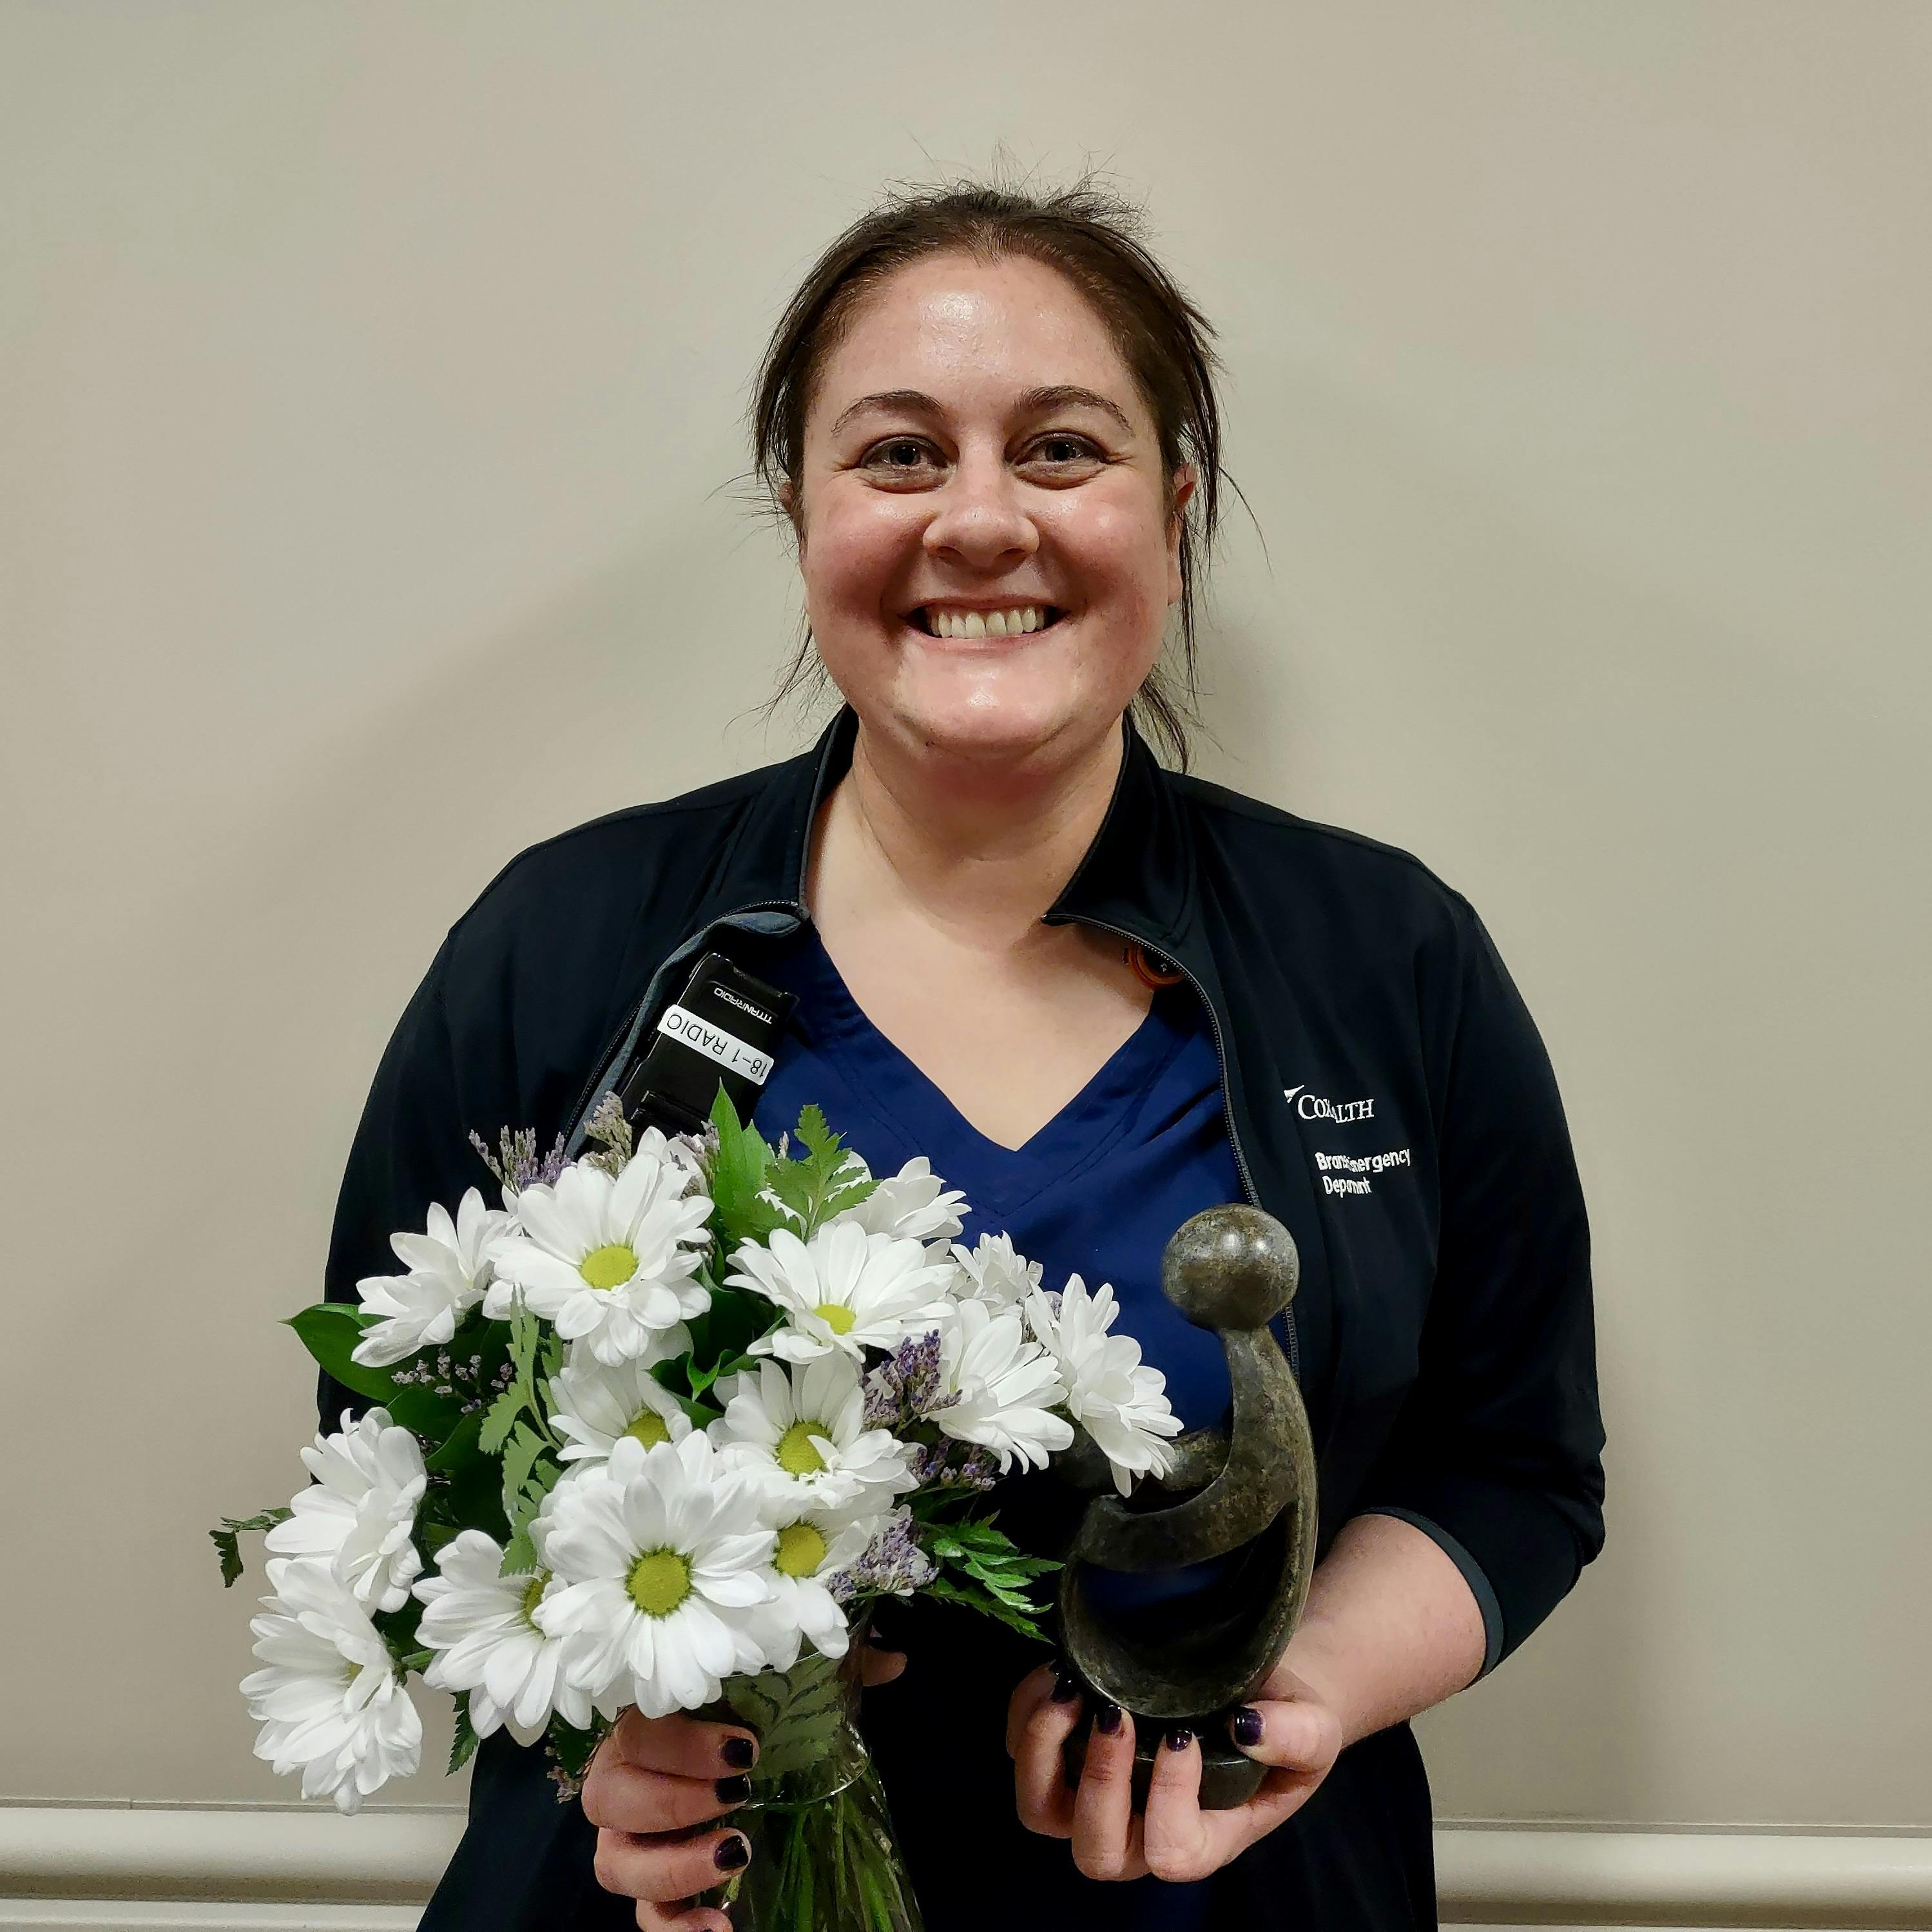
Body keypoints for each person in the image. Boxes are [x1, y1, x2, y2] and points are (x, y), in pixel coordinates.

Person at [318, 177, 1605, 1931]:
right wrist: (589, 1738)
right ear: (802, 516)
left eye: (1062, 449)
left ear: (1176, 507)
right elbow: (395, 1469)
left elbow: (1515, 1467)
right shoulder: (571, 945)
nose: (979, 521)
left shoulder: (1387, 960)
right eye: (901, 455)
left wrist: (1295, 1687)